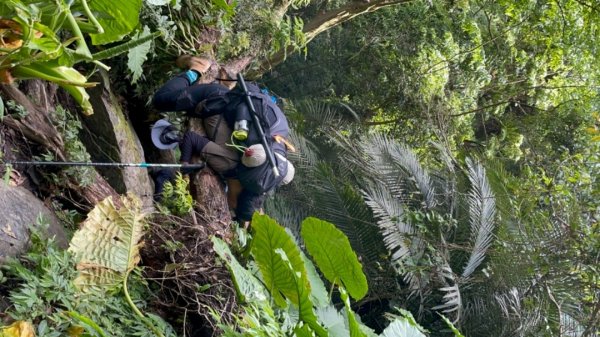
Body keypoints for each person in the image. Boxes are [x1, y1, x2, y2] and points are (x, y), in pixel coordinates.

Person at [150, 55, 294, 223]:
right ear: (235, 200)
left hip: (229, 102)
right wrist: (184, 166)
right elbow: (190, 138)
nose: (228, 206)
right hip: (212, 99)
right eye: (232, 208)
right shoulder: (230, 166)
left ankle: (227, 84)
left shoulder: (255, 174)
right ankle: (196, 69)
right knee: (160, 99)